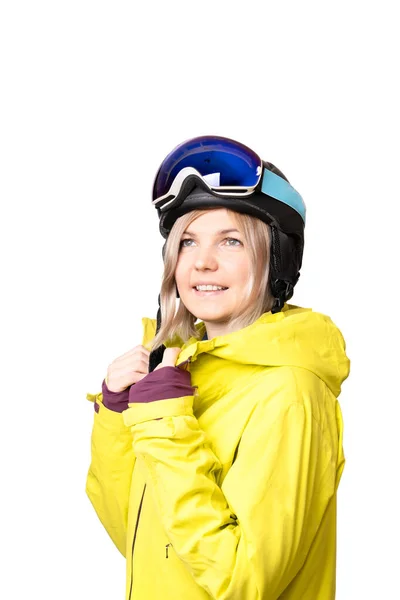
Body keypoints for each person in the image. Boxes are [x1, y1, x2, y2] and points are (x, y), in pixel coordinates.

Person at [85, 135, 350, 599]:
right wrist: (118, 416)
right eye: (188, 241)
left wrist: (166, 425)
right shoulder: (178, 376)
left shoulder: (290, 393)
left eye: (231, 241)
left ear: (277, 262)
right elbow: (135, 535)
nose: (203, 262)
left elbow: (242, 582)